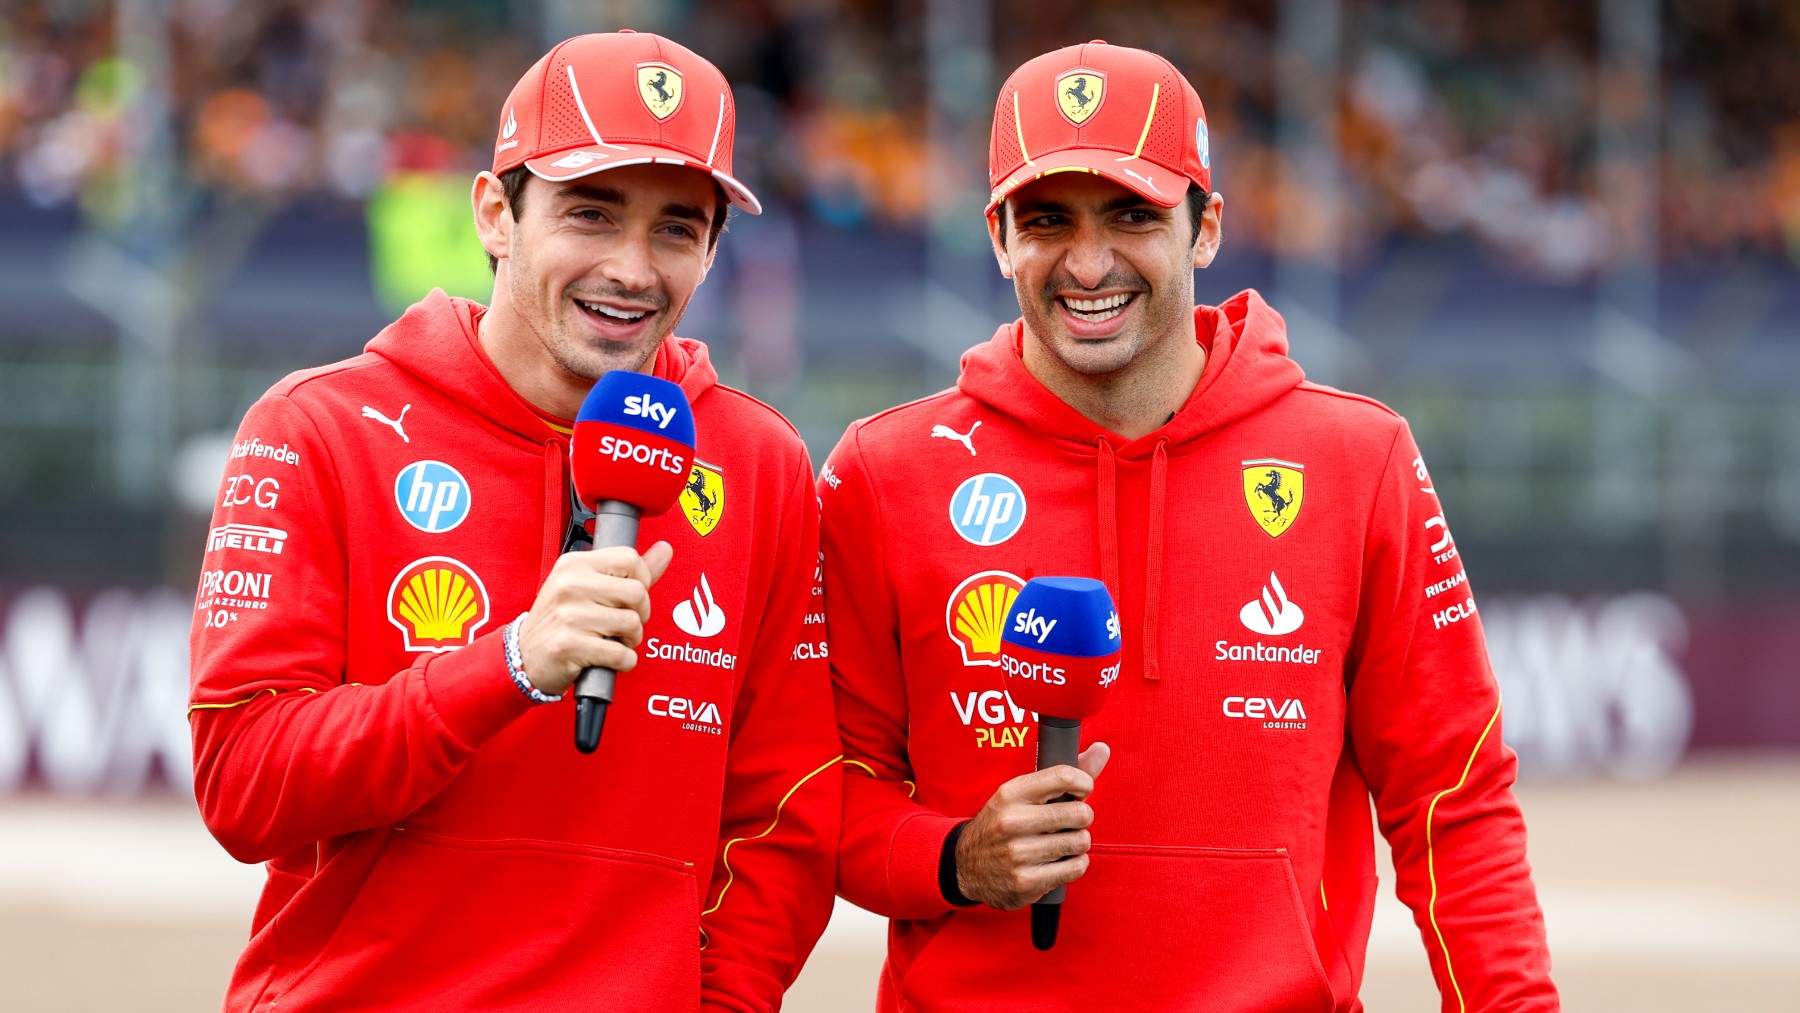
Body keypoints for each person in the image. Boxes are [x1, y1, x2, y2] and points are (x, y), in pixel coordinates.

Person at [821, 41, 1558, 1011]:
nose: (1089, 262)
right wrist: (955, 856)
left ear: (1206, 225)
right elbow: (819, 800)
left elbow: (1455, 806)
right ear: (999, 236)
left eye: (1133, 213)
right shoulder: (885, 472)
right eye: (1048, 220)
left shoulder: (1356, 458)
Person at [189, 31, 839, 1012]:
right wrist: (510, 665)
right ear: (496, 212)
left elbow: (783, 814)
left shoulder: (760, 464)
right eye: (591, 212)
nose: (631, 267)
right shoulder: (318, 426)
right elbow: (244, 783)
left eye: (677, 228)